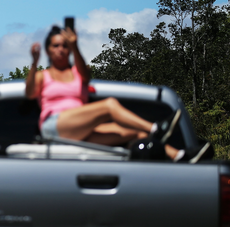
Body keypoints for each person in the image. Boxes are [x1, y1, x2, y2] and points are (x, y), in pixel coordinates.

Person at [26, 24, 208, 162]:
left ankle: (180, 157)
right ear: (48, 50)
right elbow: (30, 93)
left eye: (65, 46)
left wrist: (75, 45)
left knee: (137, 133)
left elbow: (86, 75)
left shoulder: (77, 74)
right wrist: (34, 63)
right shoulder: (44, 76)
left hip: (80, 131)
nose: (61, 50)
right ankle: (156, 128)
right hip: (54, 126)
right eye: (56, 46)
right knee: (109, 105)